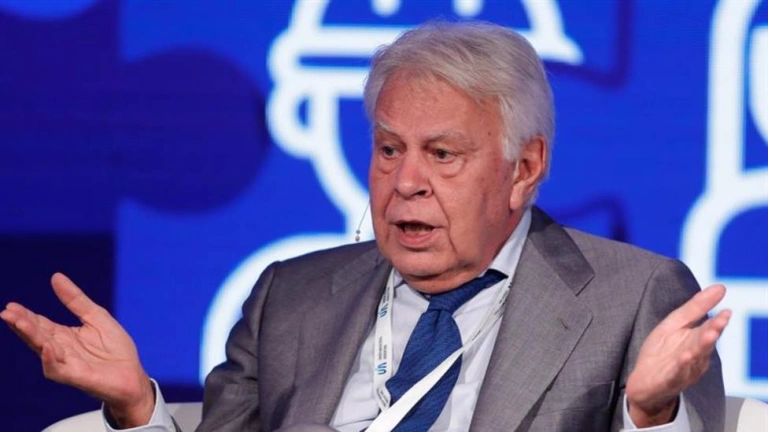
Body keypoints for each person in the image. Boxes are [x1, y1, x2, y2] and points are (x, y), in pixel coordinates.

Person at [1, 21, 730, 432]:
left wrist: (651, 413)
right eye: (388, 149)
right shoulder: (289, 298)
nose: (405, 181)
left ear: (524, 167)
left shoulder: (633, 297)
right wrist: (136, 406)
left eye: (442, 154)